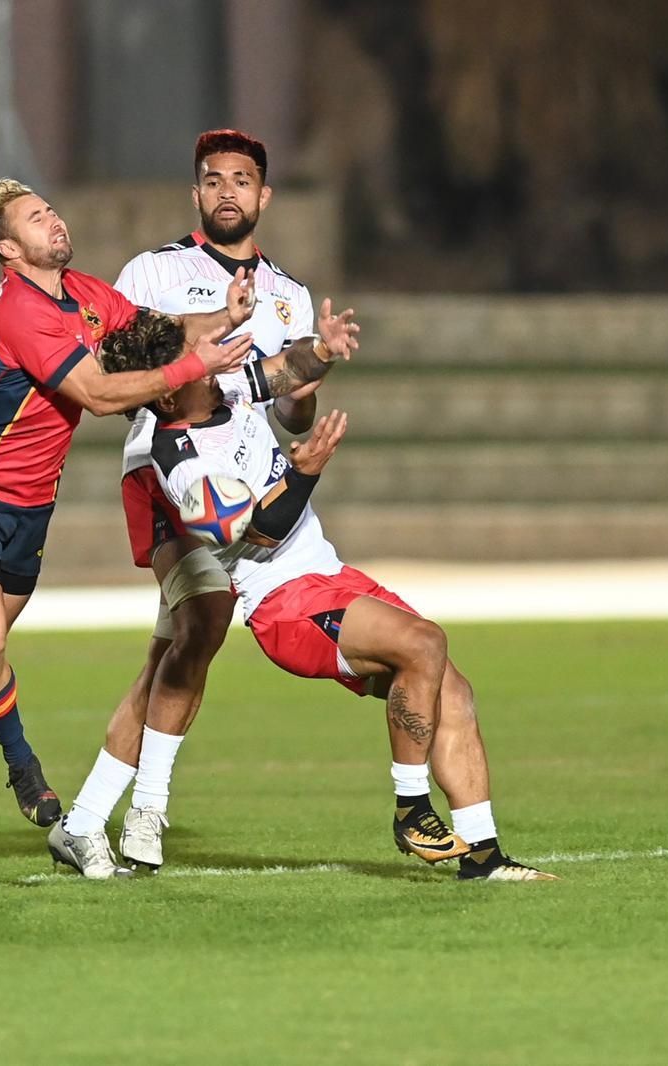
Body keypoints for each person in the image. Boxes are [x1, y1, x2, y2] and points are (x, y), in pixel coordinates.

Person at [89, 319, 557, 881]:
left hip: (329, 576)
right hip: (284, 604)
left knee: (451, 691)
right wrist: (304, 473)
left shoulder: (227, 385)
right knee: (424, 641)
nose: (209, 357)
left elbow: (290, 370)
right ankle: (412, 809)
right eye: (195, 355)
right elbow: (258, 531)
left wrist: (325, 349)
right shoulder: (180, 457)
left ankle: (483, 857)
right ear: (168, 388)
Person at [0, 178, 256, 826]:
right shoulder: (21, 312)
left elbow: (161, 333)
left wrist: (224, 317)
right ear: (10, 250)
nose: (55, 222)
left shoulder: (87, 295)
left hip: (32, 506)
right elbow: (98, 395)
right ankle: (25, 770)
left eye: (51, 211)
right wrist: (191, 368)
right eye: (37, 219)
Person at [52, 128, 354, 876]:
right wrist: (193, 355)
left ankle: (86, 818)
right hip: (170, 473)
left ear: (263, 195)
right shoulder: (154, 273)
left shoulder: (288, 296)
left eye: (242, 179)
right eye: (213, 179)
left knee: (176, 651)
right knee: (207, 614)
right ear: (196, 193)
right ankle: (149, 815)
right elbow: (112, 375)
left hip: (248, 483)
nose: (227, 191)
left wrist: (309, 386)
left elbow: (285, 408)